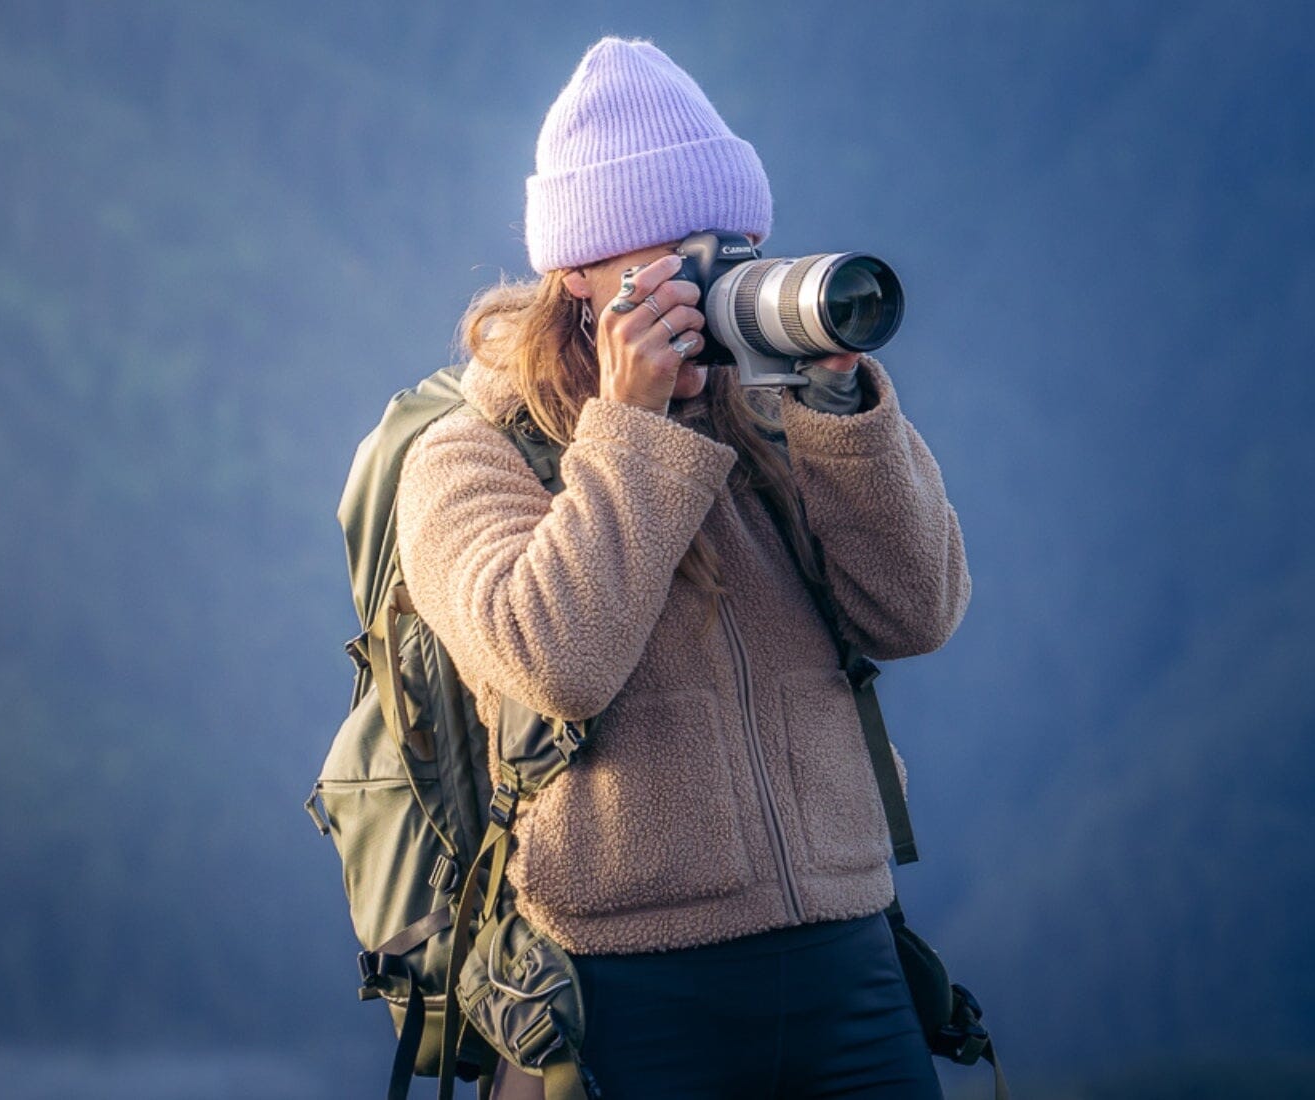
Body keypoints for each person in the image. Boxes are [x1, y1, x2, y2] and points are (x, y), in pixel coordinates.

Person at [393, 35, 968, 1099]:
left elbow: (917, 608)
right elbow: (553, 659)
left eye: (736, 246)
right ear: (580, 275)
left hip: (850, 960)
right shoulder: (467, 455)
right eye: (679, 256)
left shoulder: (773, 412)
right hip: (629, 993)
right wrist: (630, 426)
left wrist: (837, 401)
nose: (719, 282)